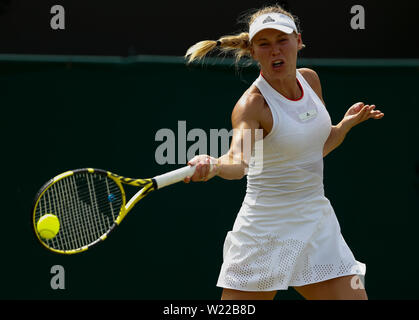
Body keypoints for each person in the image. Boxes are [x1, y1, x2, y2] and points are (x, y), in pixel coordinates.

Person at [183, 5, 384, 300]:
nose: (275, 50)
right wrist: (213, 165)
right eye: (264, 44)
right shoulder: (252, 105)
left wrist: (343, 126)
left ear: (298, 41)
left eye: (282, 40)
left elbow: (314, 149)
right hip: (264, 230)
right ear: (253, 51)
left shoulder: (310, 80)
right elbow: (238, 163)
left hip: (316, 221)